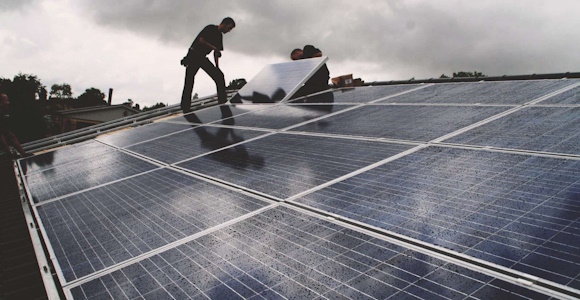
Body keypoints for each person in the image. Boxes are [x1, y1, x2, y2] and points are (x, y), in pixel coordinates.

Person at [180, 17, 235, 113]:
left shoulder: (219, 36)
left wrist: (217, 67)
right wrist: (214, 47)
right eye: (229, 28)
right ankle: (185, 107)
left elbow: (216, 53)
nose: (229, 31)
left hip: (202, 57)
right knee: (189, 80)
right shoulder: (210, 28)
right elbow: (201, 40)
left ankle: (222, 101)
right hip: (194, 55)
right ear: (224, 24)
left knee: (219, 76)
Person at [0, 93, 31, 158]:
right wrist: (10, 154)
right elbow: (1, 138)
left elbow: (11, 136)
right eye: (6, 100)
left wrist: (23, 153)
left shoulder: (2, 117)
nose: (8, 102)